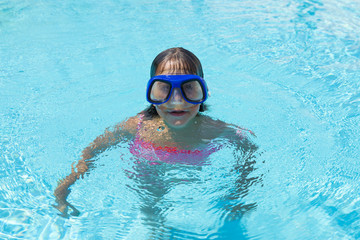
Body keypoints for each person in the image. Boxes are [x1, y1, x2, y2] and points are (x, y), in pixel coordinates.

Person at [53, 47, 257, 217]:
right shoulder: (138, 126)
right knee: (151, 209)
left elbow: (248, 146)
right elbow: (94, 150)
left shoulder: (212, 129)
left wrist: (239, 191)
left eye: (189, 88)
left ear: (203, 92)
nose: (177, 100)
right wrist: (69, 182)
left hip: (196, 187)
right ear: (151, 93)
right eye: (163, 89)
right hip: (149, 180)